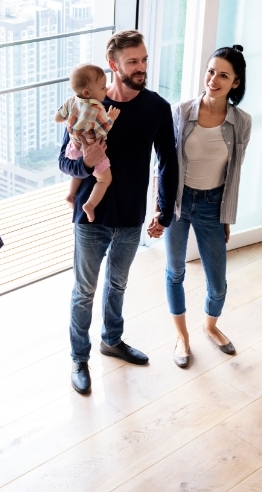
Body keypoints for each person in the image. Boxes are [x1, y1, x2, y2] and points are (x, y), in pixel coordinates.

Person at [58, 30, 178, 394]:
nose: (141, 68)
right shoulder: (86, 105)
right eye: (132, 62)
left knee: (118, 284)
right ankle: (80, 357)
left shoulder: (157, 108)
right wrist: (87, 164)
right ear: (113, 65)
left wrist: (164, 210)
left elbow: (168, 163)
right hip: (91, 219)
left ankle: (112, 340)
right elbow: (66, 162)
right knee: (84, 291)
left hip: (130, 218)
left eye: (143, 60)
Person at [163, 46, 252, 369]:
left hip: (213, 204)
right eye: (211, 71)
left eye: (223, 75)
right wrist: (161, 209)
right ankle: (182, 337)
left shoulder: (241, 123)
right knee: (175, 272)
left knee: (217, 282)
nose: (213, 80)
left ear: (236, 83)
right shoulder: (181, 112)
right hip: (179, 202)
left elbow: (234, 173)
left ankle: (210, 326)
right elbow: (166, 166)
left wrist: (226, 215)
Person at [54, 63, 121, 222]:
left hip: (74, 147)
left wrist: (70, 121)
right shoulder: (98, 110)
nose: (106, 90)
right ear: (87, 92)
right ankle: (90, 205)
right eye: (103, 88)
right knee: (104, 179)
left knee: (80, 173)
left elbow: (57, 118)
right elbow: (105, 128)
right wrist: (112, 116)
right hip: (93, 150)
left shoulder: (71, 101)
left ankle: (71, 195)